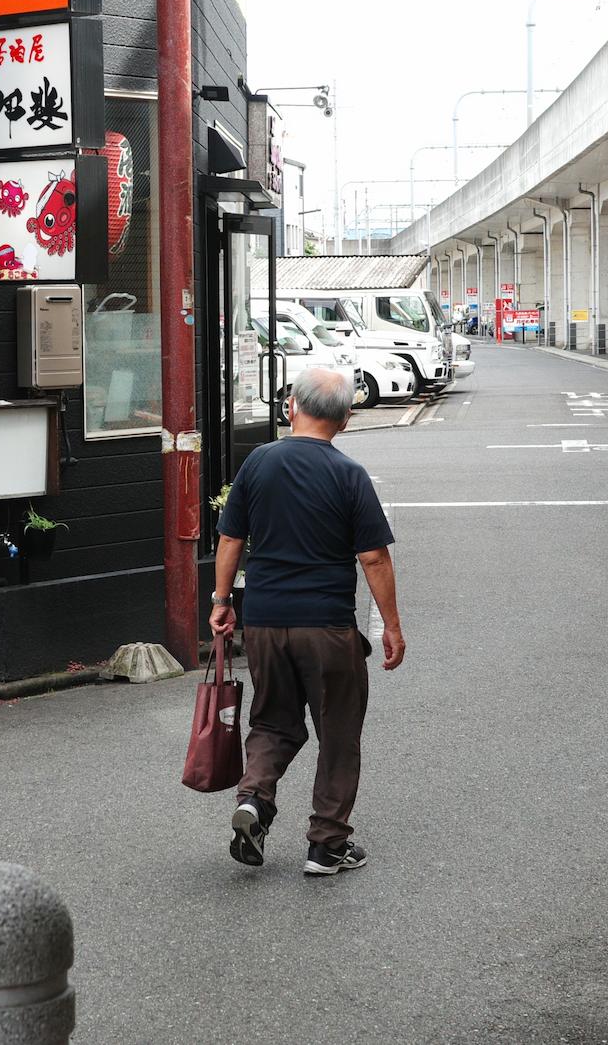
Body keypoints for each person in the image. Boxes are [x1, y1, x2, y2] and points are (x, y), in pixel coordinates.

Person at [210, 365, 406, 876]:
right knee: (338, 734)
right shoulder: (348, 474)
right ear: (344, 419)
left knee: (273, 721)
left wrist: (221, 600)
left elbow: (231, 539)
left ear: (290, 406)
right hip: (327, 625)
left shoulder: (257, 463)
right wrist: (391, 626)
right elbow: (374, 558)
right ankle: (327, 845)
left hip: (267, 623)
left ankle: (254, 800)